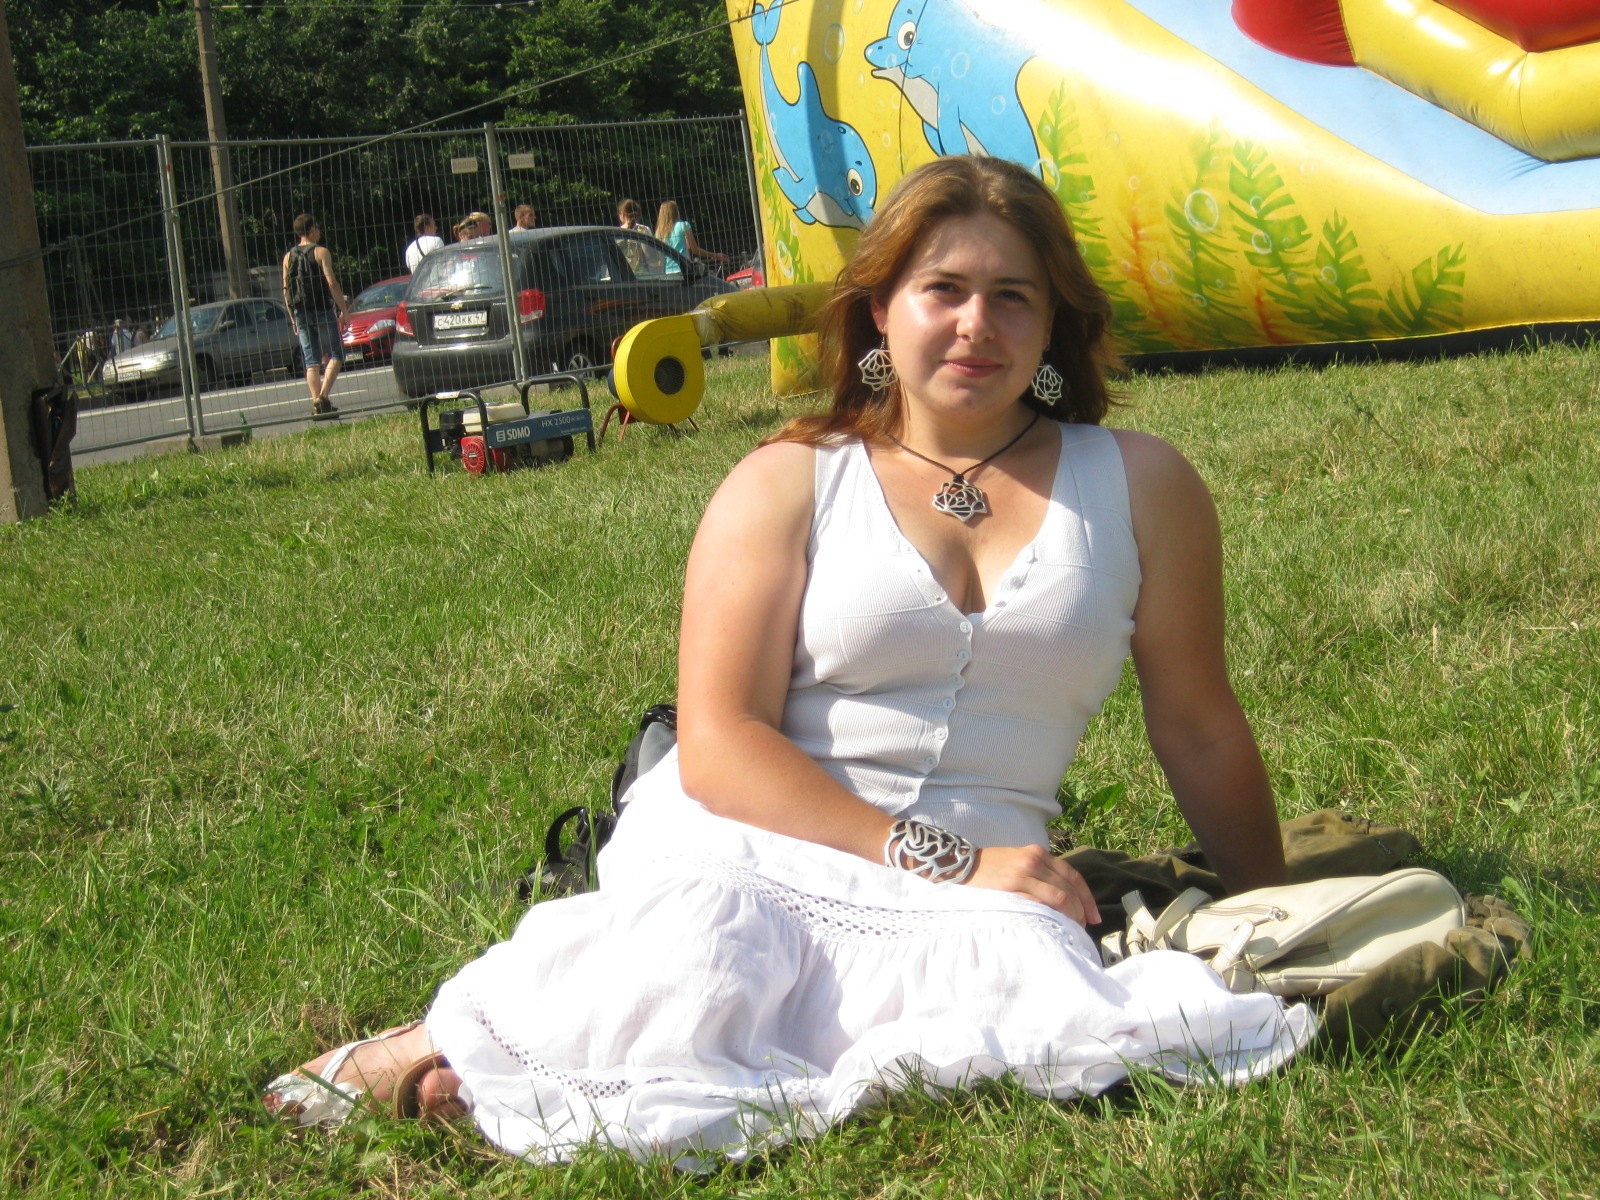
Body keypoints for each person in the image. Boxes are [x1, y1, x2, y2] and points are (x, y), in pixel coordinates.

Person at [264, 156, 1313, 1161]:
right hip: (763, 837)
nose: (976, 324)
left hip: (991, 890)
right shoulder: (788, 479)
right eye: (942, 289)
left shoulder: (1141, 484)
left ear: (1053, 323)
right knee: (713, 946)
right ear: (879, 309)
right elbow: (720, 742)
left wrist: (1277, 913)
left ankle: (547, 1055)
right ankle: (468, 1039)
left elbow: (1197, 726)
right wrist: (943, 860)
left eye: (1013, 297)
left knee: (1024, 1010)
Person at [281, 213, 350, 419]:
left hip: (301, 312)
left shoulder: (288, 257)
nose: (319, 231)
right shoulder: (321, 252)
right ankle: (323, 396)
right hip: (322, 309)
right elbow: (332, 283)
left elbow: (285, 289)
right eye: (317, 228)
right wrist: (344, 310)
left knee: (311, 360)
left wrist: (292, 316)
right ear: (311, 230)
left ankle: (317, 405)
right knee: (337, 353)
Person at [654, 199, 728, 274]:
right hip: (683, 270)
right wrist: (716, 255)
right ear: (675, 212)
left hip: (668, 272)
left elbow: (661, 258)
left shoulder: (659, 233)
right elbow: (695, 250)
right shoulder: (683, 225)